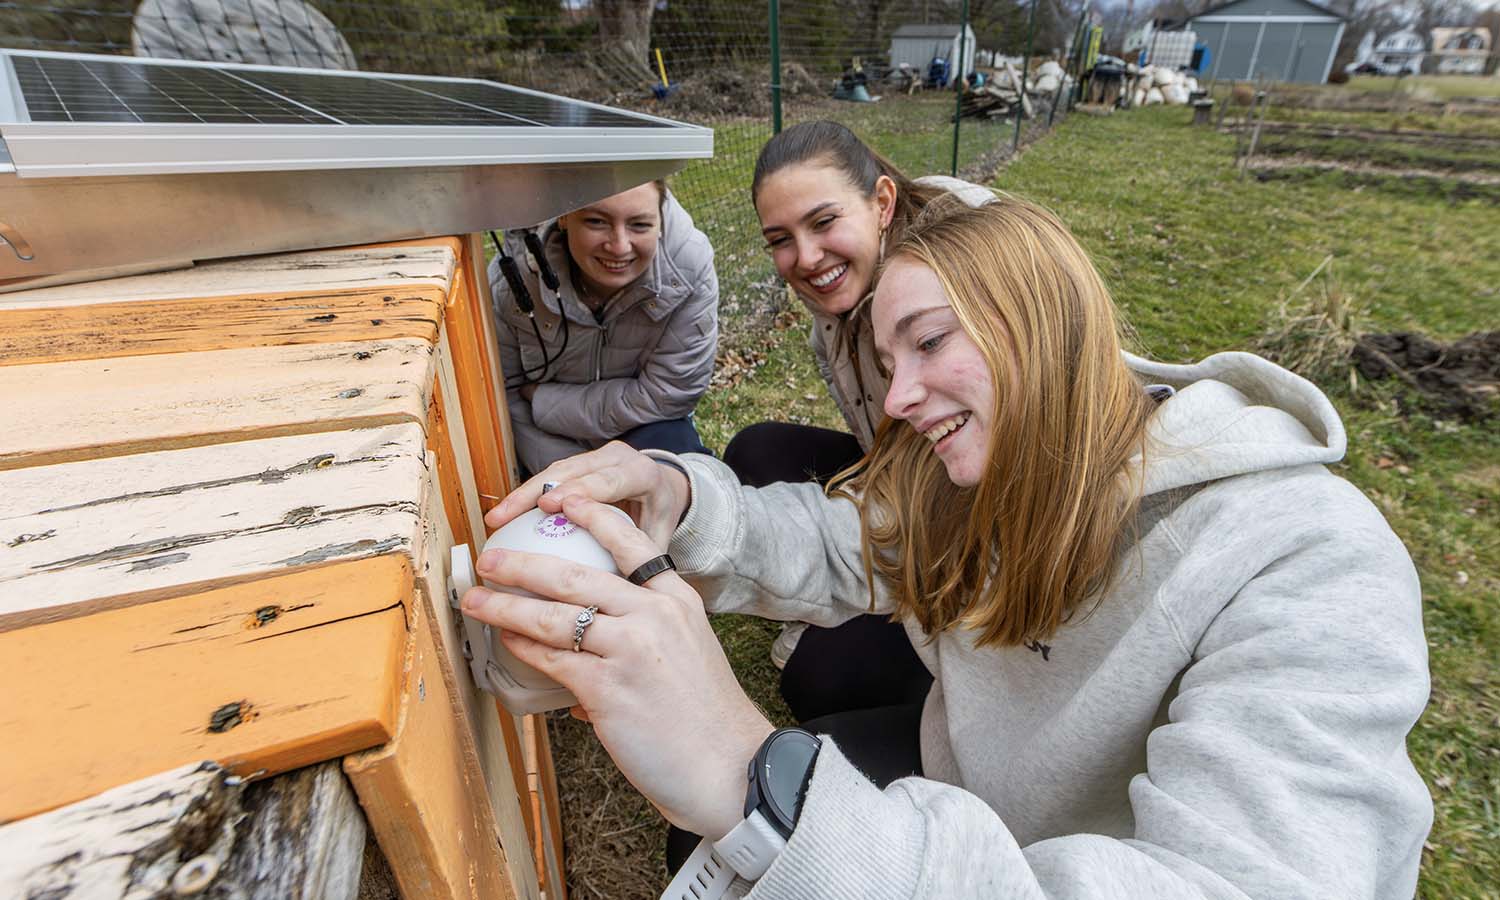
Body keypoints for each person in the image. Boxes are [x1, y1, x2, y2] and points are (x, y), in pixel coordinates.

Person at [463, 197, 1432, 898]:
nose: (894, 399)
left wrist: (748, 767)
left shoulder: (1308, 561)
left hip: (1043, 862)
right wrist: (678, 497)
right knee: (715, 846)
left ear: (1040, 327)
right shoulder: (983, 472)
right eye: (889, 363)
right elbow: (844, 539)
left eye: (929, 343)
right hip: (967, 791)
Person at [728, 120, 997, 715]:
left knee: (818, 680)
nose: (806, 258)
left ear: (882, 203)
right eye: (781, 239)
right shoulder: (837, 301)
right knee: (757, 451)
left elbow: (961, 487)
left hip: (981, 520)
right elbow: (882, 443)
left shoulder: (958, 285)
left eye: (824, 222)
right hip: (908, 477)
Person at [489, 180, 718, 477]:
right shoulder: (514, 280)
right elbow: (504, 398)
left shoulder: (688, 269)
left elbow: (669, 395)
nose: (619, 246)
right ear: (564, 216)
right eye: (596, 221)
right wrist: (573, 477)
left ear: (660, 220)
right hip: (542, 442)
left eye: (640, 225)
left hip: (646, 428)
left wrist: (545, 401)